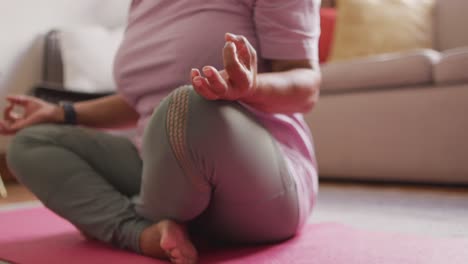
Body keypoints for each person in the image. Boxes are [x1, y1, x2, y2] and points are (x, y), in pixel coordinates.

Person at [1, 0, 321, 263]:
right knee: (31, 143)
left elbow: (306, 87)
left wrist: (249, 87)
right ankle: (142, 234)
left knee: (186, 106)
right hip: (157, 167)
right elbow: (139, 99)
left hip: (260, 181)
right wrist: (60, 112)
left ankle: (119, 217)